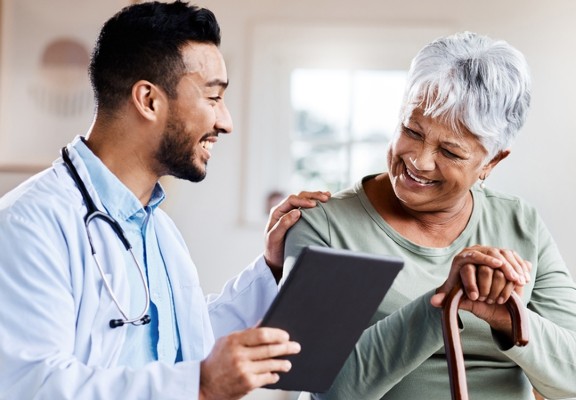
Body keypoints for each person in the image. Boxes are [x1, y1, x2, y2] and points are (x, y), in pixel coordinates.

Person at [0, 2, 330, 399]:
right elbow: (29, 385)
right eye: (213, 98)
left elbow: (185, 346)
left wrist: (271, 268)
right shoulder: (27, 224)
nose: (226, 122)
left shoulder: (156, 227)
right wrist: (201, 386)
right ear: (149, 100)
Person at [283, 31, 576, 399]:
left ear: (492, 162)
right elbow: (322, 389)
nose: (419, 160)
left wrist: (503, 315)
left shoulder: (520, 223)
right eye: (411, 130)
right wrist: (442, 304)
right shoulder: (325, 226)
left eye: (450, 152)